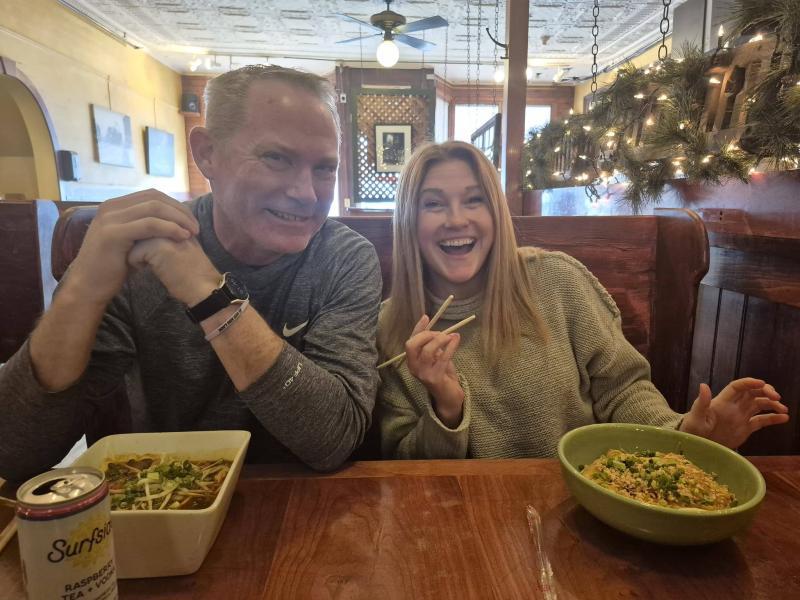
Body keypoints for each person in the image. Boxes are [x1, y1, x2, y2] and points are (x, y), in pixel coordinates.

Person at [0, 65, 382, 480]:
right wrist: (81, 289)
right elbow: (14, 451)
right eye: (277, 158)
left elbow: (333, 440)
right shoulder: (143, 254)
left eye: (325, 168)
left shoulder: (344, 258)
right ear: (207, 153)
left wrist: (209, 293)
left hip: (300, 506)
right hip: (161, 504)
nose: (306, 194)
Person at [377, 141, 789, 459]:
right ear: (409, 220)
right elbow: (402, 463)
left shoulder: (555, 280)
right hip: (462, 521)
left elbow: (621, 390)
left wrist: (683, 436)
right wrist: (447, 407)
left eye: (474, 199)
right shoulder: (391, 328)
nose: (456, 219)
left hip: (579, 506)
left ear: (495, 212)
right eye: (433, 204)